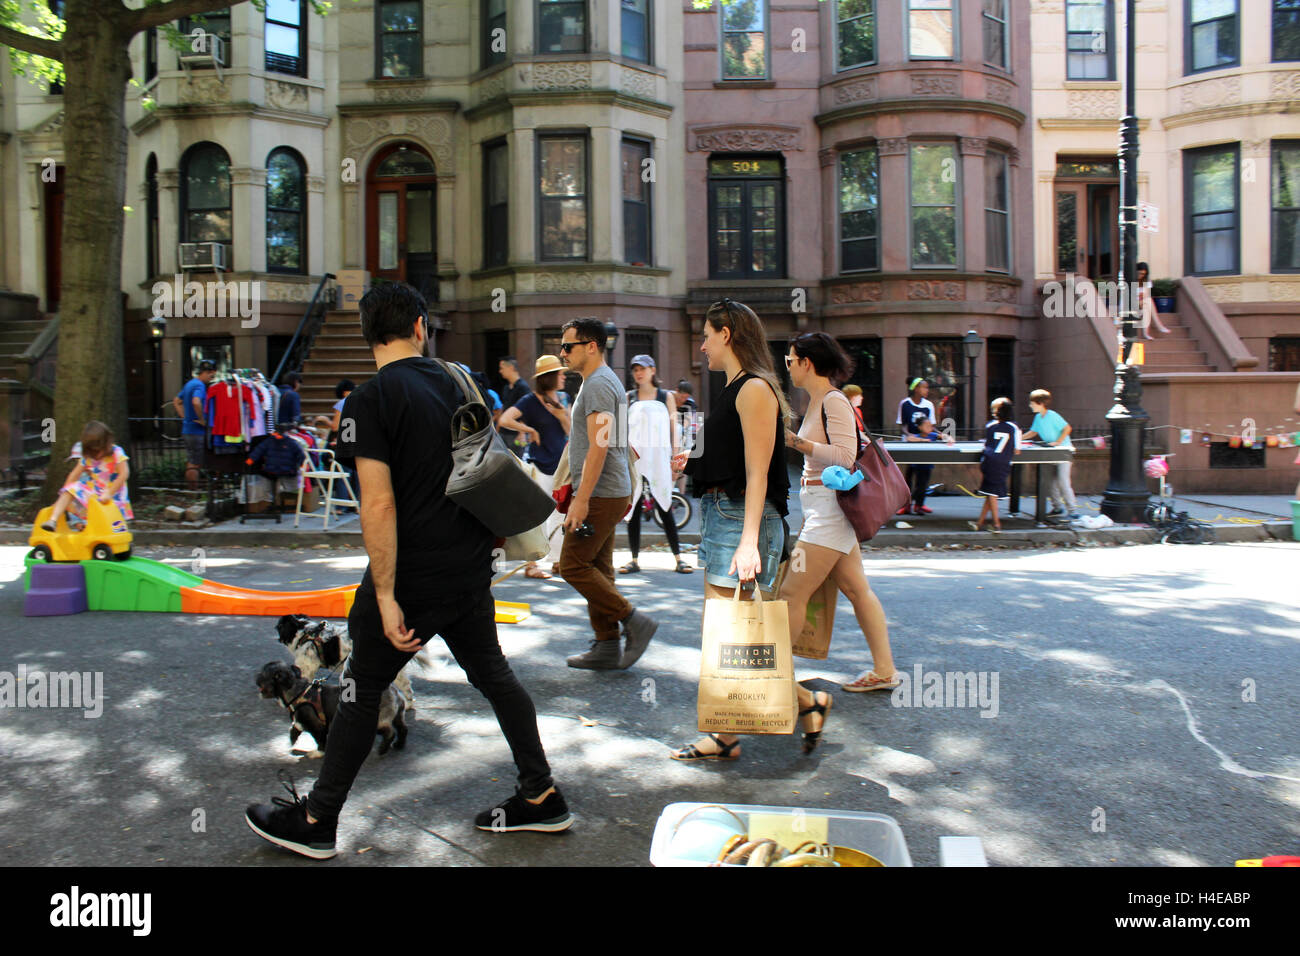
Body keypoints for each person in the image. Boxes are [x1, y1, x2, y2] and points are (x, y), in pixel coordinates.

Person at [245, 282, 570, 860]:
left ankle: (317, 820)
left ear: (370, 333)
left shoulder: (368, 399)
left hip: (413, 573)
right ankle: (541, 794)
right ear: (420, 326)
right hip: (468, 565)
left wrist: (388, 594)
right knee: (494, 676)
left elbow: (378, 503)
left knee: (360, 687)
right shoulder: (456, 379)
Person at [668, 300, 803, 762]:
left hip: (743, 520)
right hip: (721, 515)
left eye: (707, 335)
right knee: (732, 633)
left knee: (730, 633)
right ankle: (806, 703)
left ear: (726, 334)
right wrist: (691, 463)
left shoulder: (754, 390)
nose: (702, 345)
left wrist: (749, 542)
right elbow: (730, 457)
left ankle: (725, 737)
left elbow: (760, 471)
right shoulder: (732, 388)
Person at [780, 332, 900, 715]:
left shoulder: (833, 400)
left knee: (790, 594)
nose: (788, 365)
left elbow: (847, 457)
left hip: (829, 512)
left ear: (807, 363)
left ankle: (774, 681)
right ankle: (885, 670)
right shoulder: (817, 401)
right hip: (821, 508)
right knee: (857, 589)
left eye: (790, 359)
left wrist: (795, 443)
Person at [558, 318, 660, 670]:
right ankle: (606, 645)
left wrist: (581, 499)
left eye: (568, 346)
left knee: (572, 566)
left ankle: (635, 621)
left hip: (601, 491)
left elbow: (599, 447)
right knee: (597, 566)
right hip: (608, 489)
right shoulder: (598, 382)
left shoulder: (599, 383)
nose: (562, 352)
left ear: (591, 346)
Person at [498, 355, 572, 579]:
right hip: (540, 464)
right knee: (538, 516)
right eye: (559, 374)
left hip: (562, 464)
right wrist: (530, 430)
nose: (563, 377)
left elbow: (570, 431)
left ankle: (558, 560)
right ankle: (532, 565)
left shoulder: (564, 398)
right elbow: (505, 420)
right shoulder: (530, 401)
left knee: (561, 515)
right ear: (549, 378)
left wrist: (561, 415)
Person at [621, 354, 691, 575]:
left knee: (665, 506)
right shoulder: (629, 397)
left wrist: (676, 458)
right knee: (633, 508)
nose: (638, 373)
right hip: (635, 461)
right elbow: (621, 432)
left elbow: (675, 428)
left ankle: (679, 559)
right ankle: (633, 560)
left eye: (643, 368)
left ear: (653, 370)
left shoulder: (665, 396)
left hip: (659, 460)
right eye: (635, 369)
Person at [41, 421, 133, 531]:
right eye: (93, 449)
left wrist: (109, 492)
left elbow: (124, 474)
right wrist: (64, 495)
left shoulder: (117, 452)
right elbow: (74, 476)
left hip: (114, 495)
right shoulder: (88, 457)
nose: (97, 453)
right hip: (95, 492)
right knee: (70, 490)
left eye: (99, 448)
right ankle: (53, 520)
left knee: (112, 526)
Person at [1021, 388, 1080, 520]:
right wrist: (1018, 438)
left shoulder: (1053, 415)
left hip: (1063, 451)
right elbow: (1032, 432)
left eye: (1032, 403)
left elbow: (1067, 428)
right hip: (1051, 452)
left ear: (1040, 403)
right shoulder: (1038, 417)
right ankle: (1057, 507)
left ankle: (1073, 511)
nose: (1030, 405)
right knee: (1051, 482)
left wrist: (1058, 442)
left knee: (1063, 481)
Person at [968, 397, 1022, 534]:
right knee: (991, 493)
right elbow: (1017, 450)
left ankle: (993, 523)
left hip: (989, 461)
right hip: (1004, 463)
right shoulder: (1014, 428)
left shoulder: (990, 426)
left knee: (990, 493)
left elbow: (987, 444)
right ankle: (985, 523)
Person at [896, 378, 939, 516]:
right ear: (916, 389)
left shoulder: (928, 405)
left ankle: (920, 504)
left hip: (925, 443)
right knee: (910, 474)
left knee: (924, 475)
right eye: (924, 388)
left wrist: (942, 435)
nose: (927, 390)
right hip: (910, 444)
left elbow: (931, 426)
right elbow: (902, 425)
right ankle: (906, 505)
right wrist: (909, 436)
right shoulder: (905, 404)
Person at [173, 359, 216, 488]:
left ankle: (192, 489)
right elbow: (196, 402)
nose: (211, 378)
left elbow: (176, 401)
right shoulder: (199, 386)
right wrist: (202, 419)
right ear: (207, 372)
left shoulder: (190, 384)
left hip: (187, 429)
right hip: (196, 431)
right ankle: (193, 490)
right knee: (195, 462)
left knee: (192, 460)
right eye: (212, 375)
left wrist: (184, 418)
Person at [1135, 262, 1170, 339]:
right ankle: (1159, 326)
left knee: (1146, 307)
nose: (1140, 275)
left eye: (1143, 274)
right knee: (1148, 301)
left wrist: (1141, 298)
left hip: (1143, 305)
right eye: (1139, 273)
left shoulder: (1146, 281)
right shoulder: (1130, 280)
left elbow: (1146, 294)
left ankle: (1146, 333)